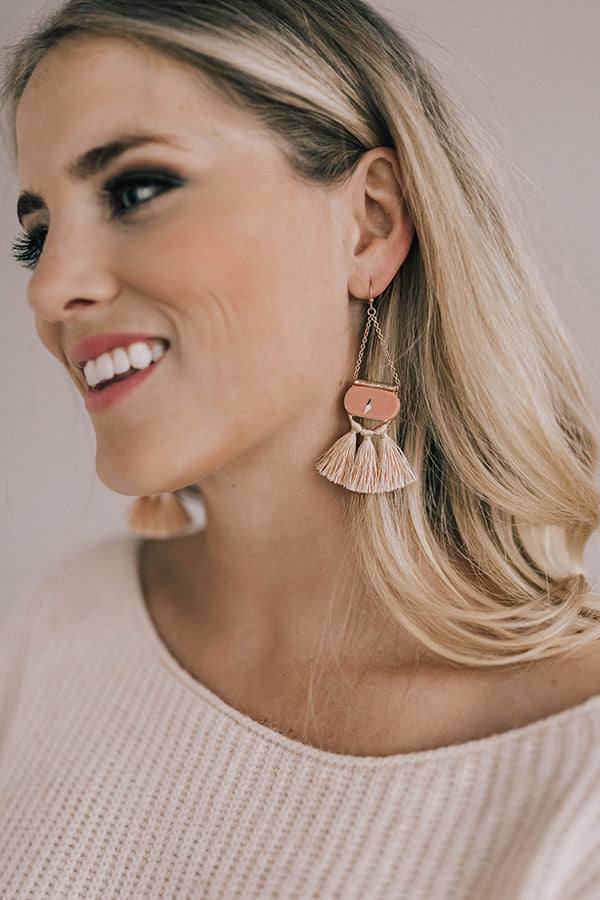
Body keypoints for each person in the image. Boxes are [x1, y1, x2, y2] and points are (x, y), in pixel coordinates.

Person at [1, 0, 599, 896]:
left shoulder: (577, 778)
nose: (49, 289)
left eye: (135, 190)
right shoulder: (64, 627)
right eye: (37, 237)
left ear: (368, 223)